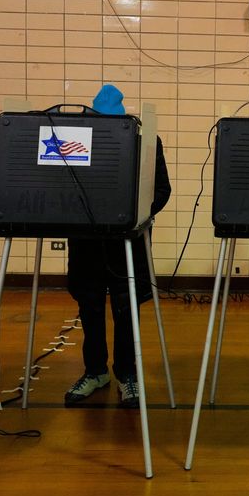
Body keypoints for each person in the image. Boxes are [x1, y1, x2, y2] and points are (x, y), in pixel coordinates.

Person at [63, 84, 171, 407]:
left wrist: (135, 215)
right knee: (91, 309)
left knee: (126, 311)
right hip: (87, 245)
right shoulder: (77, 143)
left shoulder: (145, 143)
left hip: (127, 244)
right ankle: (95, 371)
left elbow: (161, 189)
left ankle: (127, 374)